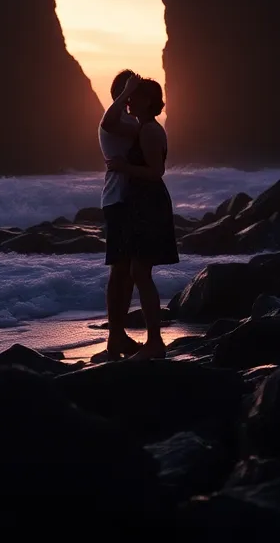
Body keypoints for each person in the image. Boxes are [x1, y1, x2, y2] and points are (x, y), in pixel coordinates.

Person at [102, 76, 179, 361]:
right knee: (138, 272)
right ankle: (152, 342)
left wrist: (123, 166)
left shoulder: (147, 130)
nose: (129, 101)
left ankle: (155, 343)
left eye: (134, 97)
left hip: (149, 204)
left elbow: (156, 172)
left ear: (148, 101)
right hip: (143, 204)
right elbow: (110, 124)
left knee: (140, 273)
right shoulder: (142, 128)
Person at [99, 69, 142, 358]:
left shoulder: (132, 121)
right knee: (120, 269)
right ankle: (115, 336)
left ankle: (119, 333)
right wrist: (127, 92)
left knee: (129, 272)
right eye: (129, 91)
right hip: (118, 201)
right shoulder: (113, 121)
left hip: (134, 202)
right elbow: (109, 120)